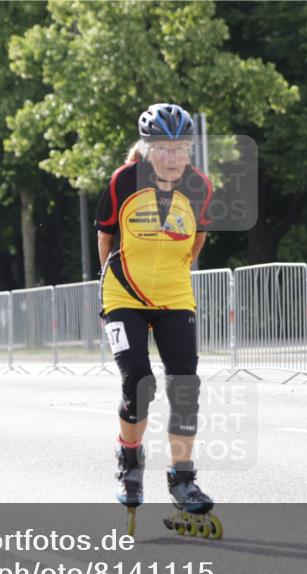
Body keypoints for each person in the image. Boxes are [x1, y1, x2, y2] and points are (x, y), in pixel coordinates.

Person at [93, 102, 216, 525]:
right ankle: (129, 465)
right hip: (123, 293)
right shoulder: (123, 181)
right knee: (139, 383)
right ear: (147, 148)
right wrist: (109, 291)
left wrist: (174, 273)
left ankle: (183, 479)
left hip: (174, 296)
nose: (172, 156)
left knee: (185, 388)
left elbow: (197, 239)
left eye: (180, 148)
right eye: (163, 148)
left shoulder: (200, 186)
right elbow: (106, 239)